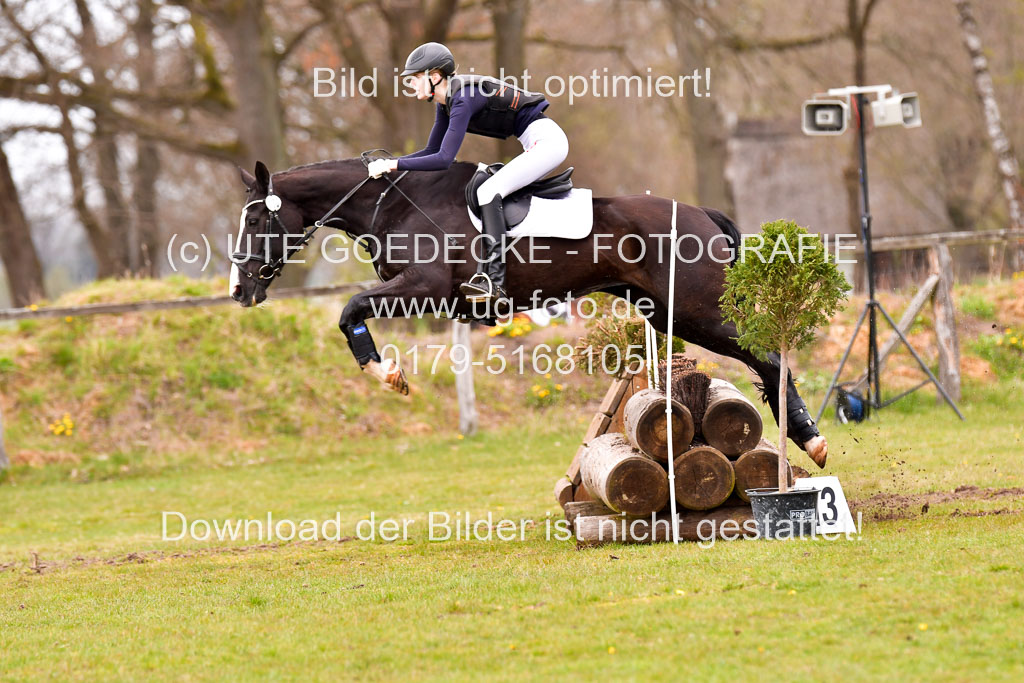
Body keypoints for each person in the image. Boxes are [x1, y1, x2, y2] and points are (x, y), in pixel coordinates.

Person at [367, 42, 569, 306]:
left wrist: (393, 165)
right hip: (534, 140)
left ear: (435, 76)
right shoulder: (446, 102)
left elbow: (443, 159)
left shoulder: (463, 98)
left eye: (416, 78)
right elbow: (431, 149)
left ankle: (494, 281)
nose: (412, 84)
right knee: (482, 188)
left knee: (487, 191)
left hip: (548, 142)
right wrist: (391, 162)